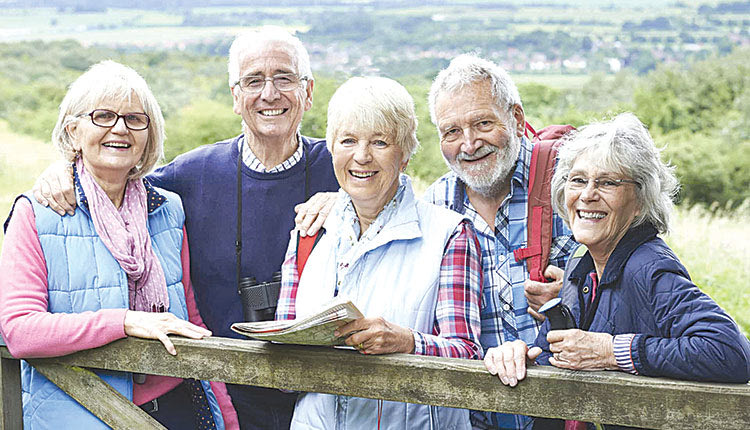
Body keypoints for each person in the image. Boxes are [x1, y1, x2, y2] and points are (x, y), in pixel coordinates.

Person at [31, 27, 340, 428]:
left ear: (309, 91)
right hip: (223, 394)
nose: (269, 93)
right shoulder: (191, 175)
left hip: (326, 399)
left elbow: (400, 203)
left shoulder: (345, 167)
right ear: (235, 96)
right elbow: (115, 182)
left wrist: (351, 202)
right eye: (253, 81)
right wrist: (63, 170)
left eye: (284, 77)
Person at [293, 54, 579, 429]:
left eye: (483, 123)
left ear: (517, 119)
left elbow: (632, 271)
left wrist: (574, 294)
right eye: (452, 131)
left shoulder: (571, 187)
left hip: (561, 409)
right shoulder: (438, 202)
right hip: (477, 414)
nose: (470, 143)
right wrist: (343, 199)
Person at [0, 61, 236, 429]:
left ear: (148, 137)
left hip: (179, 409)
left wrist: (226, 418)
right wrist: (124, 322)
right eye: (103, 116)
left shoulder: (168, 210)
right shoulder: (36, 214)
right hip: (82, 414)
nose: (120, 128)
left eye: (134, 119)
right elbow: (19, 330)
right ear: (73, 130)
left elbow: (191, 317)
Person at [484, 113, 750, 427]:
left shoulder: (649, 266)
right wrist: (517, 354)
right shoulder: (580, 268)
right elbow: (556, 354)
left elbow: (730, 352)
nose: (587, 195)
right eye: (578, 180)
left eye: (607, 182)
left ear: (640, 199)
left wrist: (612, 352)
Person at [275, 76, 483, 429]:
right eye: (348, 140)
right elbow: (283, 350)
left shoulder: (450, 235)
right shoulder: (309, 233)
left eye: (380, 142)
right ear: (332, 148)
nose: (361, 156)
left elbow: (467, 355)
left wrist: (407, 342)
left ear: (404, 155)